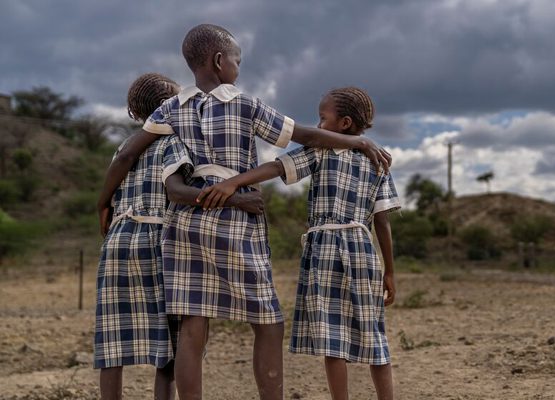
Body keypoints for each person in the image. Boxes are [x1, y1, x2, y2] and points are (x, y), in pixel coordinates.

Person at [95, 24, 391, 400]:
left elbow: (127, 152)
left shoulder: (171, 109)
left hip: (186, 223)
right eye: (237, 60)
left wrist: (103, 202)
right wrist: (358, 141)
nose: (238, 66)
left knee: (192, 326)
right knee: (267, 322)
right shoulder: (244, 103)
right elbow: (307, 136)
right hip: (237, 222)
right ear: (220, 61)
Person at [198, 87, 400, 400]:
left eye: (323, 118)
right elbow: (382, 222)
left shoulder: (321, 150)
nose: (318, 125)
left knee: (334, 338)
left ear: (344, 123)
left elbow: (277, 168)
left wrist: (234, 181)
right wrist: (389, 271)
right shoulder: (377, 160)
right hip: (363, 250)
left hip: (325, 250)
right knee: (373, 334)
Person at [95, 73, 264, 400]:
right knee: (171, 349)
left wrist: (101, 203)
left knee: (112, 342)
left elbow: (122, 167)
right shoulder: (173, 142)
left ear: (134, 114)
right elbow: (176, 192)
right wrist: (236, 198)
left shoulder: (124, 147)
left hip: (117, 242)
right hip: (158, 241)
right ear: (170, 110)